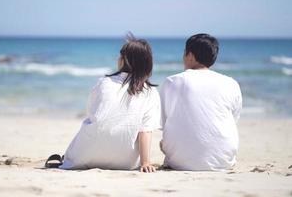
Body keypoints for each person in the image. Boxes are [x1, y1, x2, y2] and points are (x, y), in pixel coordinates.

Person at [59, 34, 161, 172]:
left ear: (124, 60)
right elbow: (145, 131)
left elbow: (92, 112)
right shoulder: (150, 92)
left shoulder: (104, 82)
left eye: (121, 56)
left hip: (85, 155)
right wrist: (145, 162)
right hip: (126, 162)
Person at [160, 33, 242, 171]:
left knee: (164, 143)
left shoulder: (173, 82)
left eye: (184, 53)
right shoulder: (231, 83)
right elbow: (233, 119)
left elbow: (163, 121)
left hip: (179, 161)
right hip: (223, 160)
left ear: (190, 55)